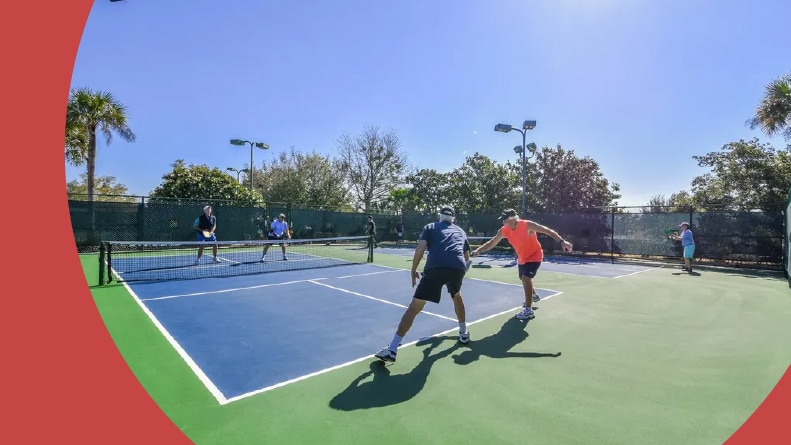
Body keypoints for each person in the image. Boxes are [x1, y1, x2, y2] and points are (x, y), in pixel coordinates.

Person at [374, 205, 471, 363]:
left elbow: (420, 249)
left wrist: (413, 270)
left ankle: (392, 348)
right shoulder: (461, 231)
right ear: (453, 218)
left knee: (415, 307)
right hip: (458, 267)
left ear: (440, 216)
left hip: (435, 267)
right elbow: (467, 258)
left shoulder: (430, 227)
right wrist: (459, 273)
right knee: (457, 295)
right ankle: (463, 333)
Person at [471, 208, 573, 321]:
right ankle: (534, 296)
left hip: (535, 255)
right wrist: (479, 250)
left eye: (504, 220)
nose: (503, 222)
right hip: (522, 258)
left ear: (512, 219)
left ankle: (528, 311)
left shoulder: (527, 225)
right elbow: (492, 242)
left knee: (525, 277)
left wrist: (562, 241)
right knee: (522, 277)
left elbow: (547, 231)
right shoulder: (504, 230)